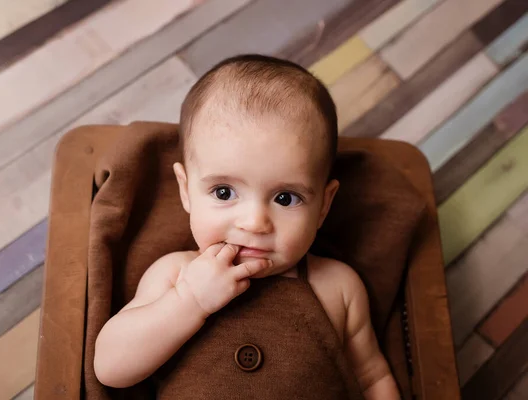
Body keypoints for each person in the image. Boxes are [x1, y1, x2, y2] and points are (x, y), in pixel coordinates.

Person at [94, 54, 400, 399]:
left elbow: (371, 377)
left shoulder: (339, 287)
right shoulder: (176, 275)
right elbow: (110, 368)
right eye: (224, 192)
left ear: (323, 206)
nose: (254, 222)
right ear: (186, 191)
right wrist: (189, 301)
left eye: (286, 198)